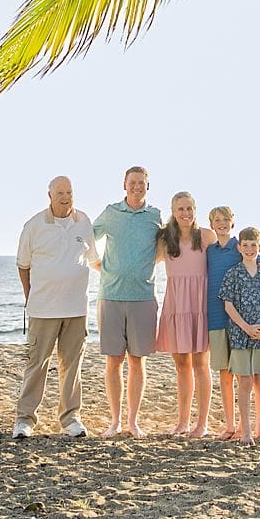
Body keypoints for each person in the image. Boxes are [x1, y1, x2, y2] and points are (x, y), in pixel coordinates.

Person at [13, 176, 95, 440]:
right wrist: (31, 297)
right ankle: (25, 420)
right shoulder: (34, 225)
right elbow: (23, 265)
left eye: (69, 192)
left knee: (72, 366)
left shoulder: (83, 221)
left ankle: (71, 419)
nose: (65, 197)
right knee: (36, 364)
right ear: (49, 195)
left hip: (76, 308)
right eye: (60, 192)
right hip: (43, 309)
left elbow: (93, 260)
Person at [92, 166, 162, 437]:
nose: (136, 187)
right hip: (110, 295)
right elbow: (88, 238)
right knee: (114, 360)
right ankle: (115, 421)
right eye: (132, 183)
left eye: (141, 183)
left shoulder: (155, 216)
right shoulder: (111, 213)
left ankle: (133, 422)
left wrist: (148, 266)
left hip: (143, 297)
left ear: (148, 186)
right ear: (124, 185)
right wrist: (95, 263)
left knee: (137, 361)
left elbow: (166, 247)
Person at [206, 205, 260, 439]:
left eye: (225, 219)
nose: (221, 223)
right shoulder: (210, 250)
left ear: (232, 223)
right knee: (227, 375)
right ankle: (232, 427)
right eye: (217, 220)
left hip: (254, 328)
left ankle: (257, 430)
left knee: (255, 380)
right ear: (212, 224)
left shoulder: (243, 246)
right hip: (221, 320)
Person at [155, 192, 210, 436]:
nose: (185, 213)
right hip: (176, 304)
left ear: (195, 210)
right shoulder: (166, 238)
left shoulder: (206, 236)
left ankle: (202, 424)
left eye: (189, 208)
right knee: (181, 365)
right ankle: (183, 422)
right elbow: (144, 260)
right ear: (173, 211)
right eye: (180, 209)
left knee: (201, 364)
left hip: (200, 305)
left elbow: (234, 253)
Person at [220, 225, 260, 445]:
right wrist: (246, 327)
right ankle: (246, 431)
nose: (249, 249)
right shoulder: (233, 273)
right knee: (245, 382)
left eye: (253, 245)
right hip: (240, 335)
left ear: (259, 247)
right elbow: (228, 306)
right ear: (239, 248)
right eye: (245, 245)